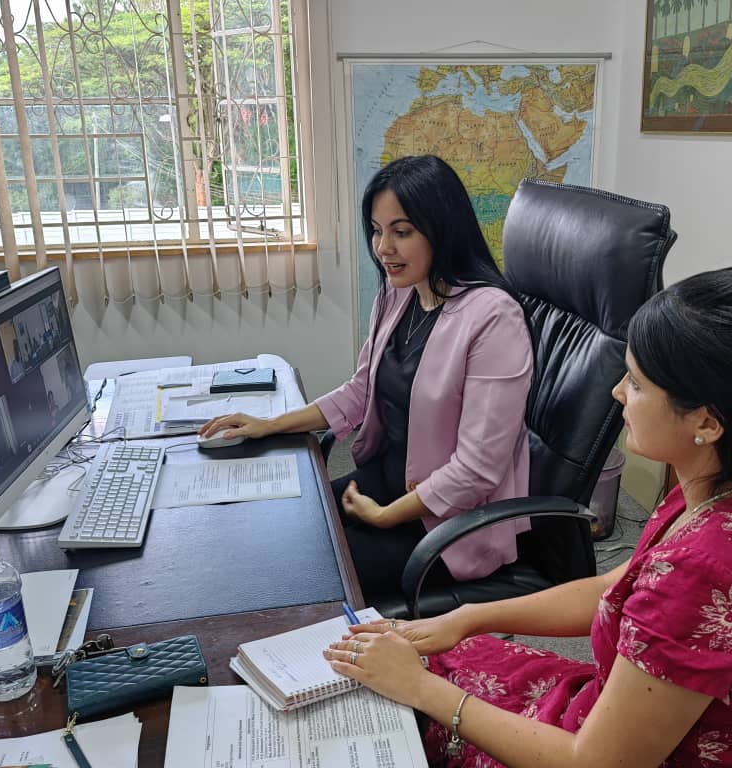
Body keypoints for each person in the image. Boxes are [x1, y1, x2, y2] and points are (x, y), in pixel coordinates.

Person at [324, 267, 732, 768]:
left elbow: (593, 761)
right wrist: (467, 618)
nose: (617, 392)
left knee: (392, 706)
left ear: (707, 423)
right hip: (613, 722)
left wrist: (420, 689)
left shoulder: (706, 567)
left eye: (636, 383)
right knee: (437, 656)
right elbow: (617, 589)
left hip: (598, 753)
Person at [200, 155, 533, 596]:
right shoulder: (399, 294)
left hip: (448, 526)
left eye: (402, 232)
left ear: (442, 228)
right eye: (377, 230)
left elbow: (478, 470)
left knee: (296, 576)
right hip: (385, 484)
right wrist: (270, 424)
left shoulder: (494, 318)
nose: (383, 248)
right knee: (277, 528)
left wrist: (385, 516)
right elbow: (362, 390)